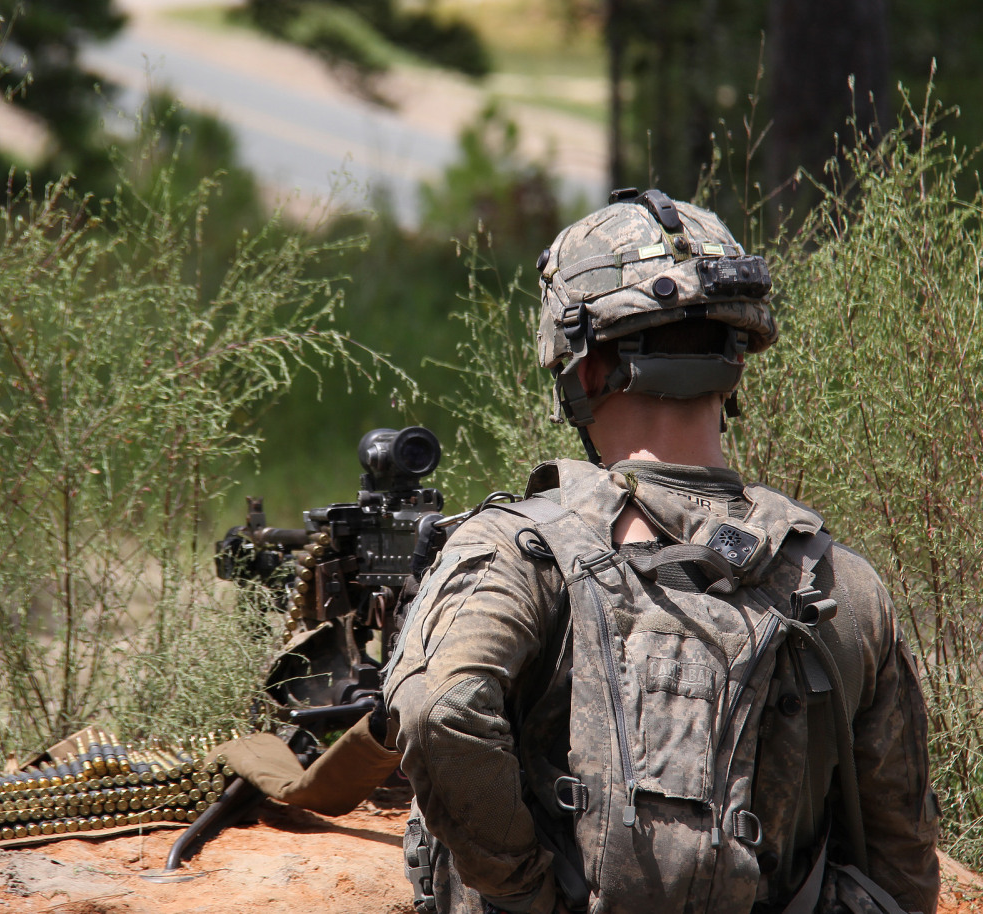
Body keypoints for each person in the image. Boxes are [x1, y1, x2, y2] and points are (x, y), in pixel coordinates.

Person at [382, 190, 940, 914]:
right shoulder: (843, 584)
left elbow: (439, 709)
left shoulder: (520, 552)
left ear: (581, 371)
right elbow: (900, 858)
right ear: (736, 361)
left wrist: (525, 894)